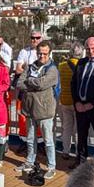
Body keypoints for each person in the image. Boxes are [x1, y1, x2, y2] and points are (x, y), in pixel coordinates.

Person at [16, 40, 60, 179]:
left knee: (48, 140)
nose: (42, 56)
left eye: (45, 54)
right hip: (29, 109)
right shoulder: (30, 67)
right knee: (30, 138)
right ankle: (29, 161)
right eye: (39, 53)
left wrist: (29, 81)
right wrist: (33, 83)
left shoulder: (52, 69)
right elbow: (19, 83)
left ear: (49, 53)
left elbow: (42, 84)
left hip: (45, 110)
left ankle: (51, 166)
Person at [70, 36, 94, 167]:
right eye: (88, 49)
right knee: (81, 136)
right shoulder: (81, 62)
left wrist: (92, 104)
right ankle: (80, 162)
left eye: (93, 48)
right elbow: (73, 83)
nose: (91, 51)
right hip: (80, 107)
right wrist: (77, 102)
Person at [57, 43, 82, 157]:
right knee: (77, 130)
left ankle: (65, 151)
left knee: (66, 128)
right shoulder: (82, 65)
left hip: (64, 101)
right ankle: (77, 152)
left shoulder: (61, 66)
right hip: (77, 102)